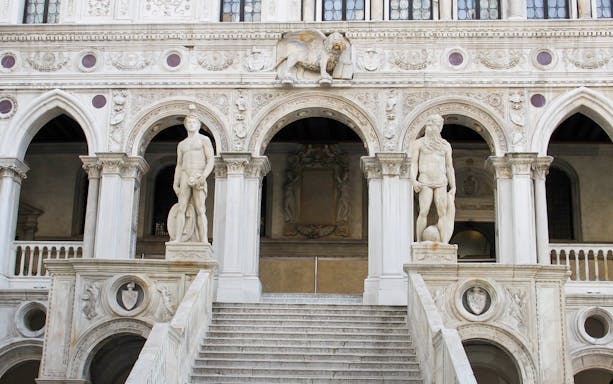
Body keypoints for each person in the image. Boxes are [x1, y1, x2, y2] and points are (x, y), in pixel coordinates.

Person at [410, 114, 456, 243]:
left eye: (435, 125)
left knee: (442, 213)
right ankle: (419, 242)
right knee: (423, 211)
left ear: (440, 127)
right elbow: (413, 163)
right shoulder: (419, 143)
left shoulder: (445, 145)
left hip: (441, 181)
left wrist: (453, 186)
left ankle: (444, 242)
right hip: (425, 181)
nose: (431, 128)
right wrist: (413, 180)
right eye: (429, 125)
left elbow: (449, 167)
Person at [171, 113, 215, 243]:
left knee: (200, 209)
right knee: (181, 208)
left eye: (194, 122)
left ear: (198, 125)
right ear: (185, 125)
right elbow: (179, 165)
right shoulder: (182, 144)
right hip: (185, 174)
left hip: (198, 174)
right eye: (188, 122)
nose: (191, 124)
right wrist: (175, 183)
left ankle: (204, 240)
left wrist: (203, 176)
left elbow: (210, 160)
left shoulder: (204, 139)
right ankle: (178, 238)